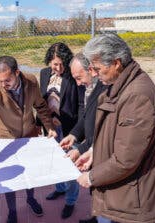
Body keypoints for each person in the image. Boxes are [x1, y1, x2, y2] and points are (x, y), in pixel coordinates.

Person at [75, 34, 155, 223]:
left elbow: (126, 160)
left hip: (136, 197)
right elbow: (119, 135)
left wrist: (91, 177)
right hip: (127, 192)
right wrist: (94, 151)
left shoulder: (137, 96)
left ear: (116, 63)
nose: (94, 74)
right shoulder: (122, 83)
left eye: (97, 68)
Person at [0, 56, 57, 223]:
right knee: (11, 175)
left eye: (7, 80)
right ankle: (12, 211)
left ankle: (30, 198)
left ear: (17, 73)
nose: (3, 84)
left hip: (29, 133)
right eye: (0, 80)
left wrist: (50, 128)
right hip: (7, 136)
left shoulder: (31, 81)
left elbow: (40, 106)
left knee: (30, 171)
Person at [60, 52, 107, 223]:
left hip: (101, 149)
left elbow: (102, 131)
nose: (78, 83)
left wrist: (80, 149)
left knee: (103, 191)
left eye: (79, 77)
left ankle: (101, 218)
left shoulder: (105, 88)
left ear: (91, 70)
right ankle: (96, 216)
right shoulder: (89, 87)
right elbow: (86, 117)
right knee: (96, 189)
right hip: (91, 146)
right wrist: (74, 134)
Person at [38, 42, 83, 219]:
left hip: (70, 127)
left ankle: (71, 201)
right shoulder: (43, 73)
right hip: (50, 128)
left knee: (71, 165)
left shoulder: (72, 75)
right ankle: (60, 188)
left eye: (62, 63)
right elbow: (41, 101)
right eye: (55, 64)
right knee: (55, 161)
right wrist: (42, 122)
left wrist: (79, 132)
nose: (59, 68)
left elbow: (80, 105)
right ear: (49, 61)